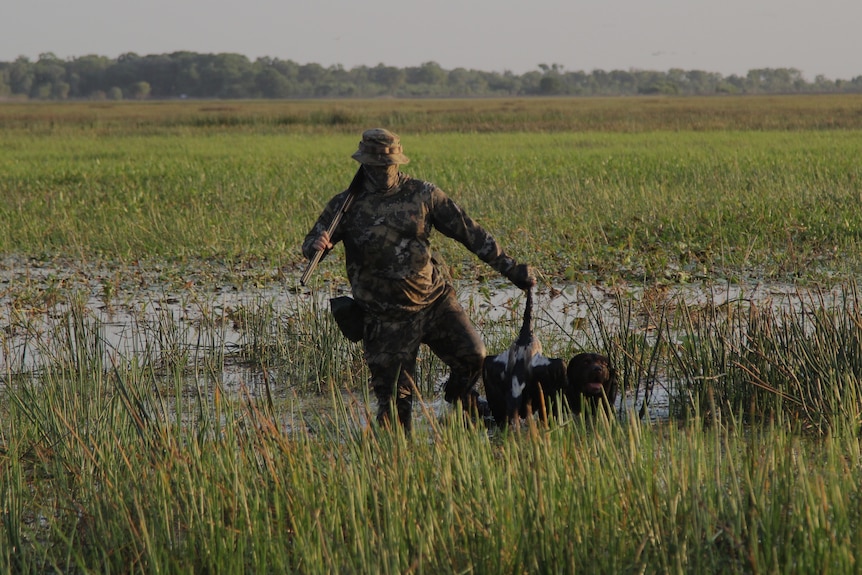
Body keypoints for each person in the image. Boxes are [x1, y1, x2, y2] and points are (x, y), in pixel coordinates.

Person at [302, 128, 535, 432]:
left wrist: (511, 269)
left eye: (387, 165)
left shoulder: (423, 194)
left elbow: (470, 232)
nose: (381, 171)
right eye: (374, 165)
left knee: (474, 356)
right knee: (396, 418)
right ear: (363, 163)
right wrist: (316, 244)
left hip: (434, 302)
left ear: (397, 162)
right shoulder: (345, 206)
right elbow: (311, 245)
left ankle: (460, 398)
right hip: (384, 319)